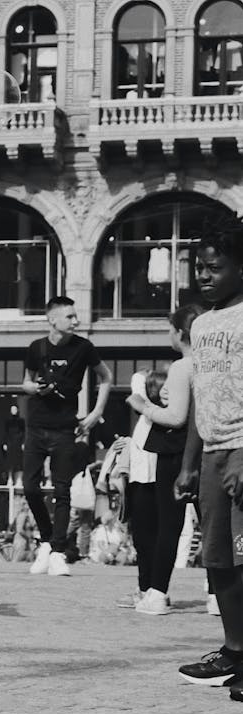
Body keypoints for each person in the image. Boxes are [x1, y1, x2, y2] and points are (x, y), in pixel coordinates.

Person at [172, 221, 243, 690]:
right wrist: (188, 463)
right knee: (218, 561)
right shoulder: (201, 323)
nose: (205, 276)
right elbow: (201, 394)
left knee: (242, 559)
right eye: (200, 268)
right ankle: (235, 652)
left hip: (241, 450)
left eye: (215, 268)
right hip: (212, 452)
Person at [21, 296, 113, 577]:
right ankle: (48, 541)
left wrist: (95, 413)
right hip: (36, 425)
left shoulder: (84, 348)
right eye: (70, 316)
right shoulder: (36, 348)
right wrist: (36, 389)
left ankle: (57, 551)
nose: (76, 321)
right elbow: (25, 382)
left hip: (65, 428)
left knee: (62, 490)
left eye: (76, 316)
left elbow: (106, 377)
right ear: (53, 320)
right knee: (30, 488)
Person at [122, 305, 198, 615]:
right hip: (215, 447)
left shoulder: (182, 367)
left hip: (177, 451)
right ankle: (216, 595)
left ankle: (157, 593)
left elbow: (176, 416)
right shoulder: (214, 364)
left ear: (180, 333)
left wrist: (143, 406)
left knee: (169, 523)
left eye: (170, 329)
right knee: (215, 523)